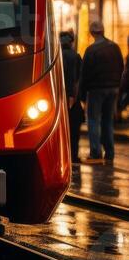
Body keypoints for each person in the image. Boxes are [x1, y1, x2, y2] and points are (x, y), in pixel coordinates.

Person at [79, 19, 124, 164]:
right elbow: (121, 67)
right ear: (103, 31)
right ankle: (110, 153)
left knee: (93, 120)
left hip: (96, 90)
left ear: (92, 33)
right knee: (107, 121)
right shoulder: (115, 47)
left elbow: (84, 74)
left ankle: (96, 152)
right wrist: (118, 86)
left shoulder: (91, 50)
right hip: (113, 89)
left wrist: (82, 95)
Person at [60, 29, 82, 164]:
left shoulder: (58, 56)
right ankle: (73, 155)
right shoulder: (76, 56)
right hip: (73, 97)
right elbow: (78, 77)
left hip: (62, 97)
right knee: (74, 129)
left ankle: (64, 155)